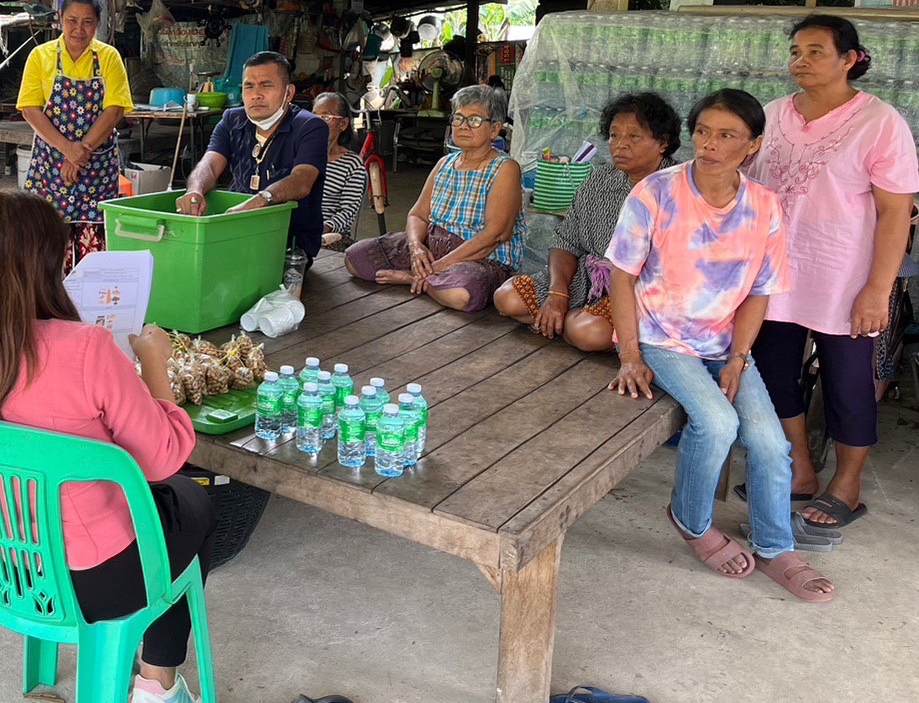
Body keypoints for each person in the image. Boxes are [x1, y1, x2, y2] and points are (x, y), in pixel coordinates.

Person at [0, 191, 215, 703]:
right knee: (193, 503)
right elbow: (165, 456)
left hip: (3, 563)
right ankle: (157, 689)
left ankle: (130, 679)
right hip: (99, 577)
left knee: (164, 506)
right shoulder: (86, 348)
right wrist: (153, 364)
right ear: (49, 264)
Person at [607, 89, 834, 603]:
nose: (709, 144)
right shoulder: (655, 192)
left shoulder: (764, 206)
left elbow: (759, 291)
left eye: (727, 135)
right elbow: (622, 277)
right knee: (717, 423)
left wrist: (738, 358)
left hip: (724, 344)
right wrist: (630, 355)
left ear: (752, 146)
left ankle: (775, 547)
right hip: (661, 337)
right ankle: (691, 520)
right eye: (703, 131)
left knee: (772, 442)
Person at [746, 15, 919, 529]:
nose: (800, 60)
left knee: (848, 381)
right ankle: (798, 469)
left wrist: (877, 289)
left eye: (815, 51)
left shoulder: (879, 122)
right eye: (795, 51)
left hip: (844, 279)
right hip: (775, 274)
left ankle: (847, 483)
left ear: (849, 59)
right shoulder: (772, 115)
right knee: (773, 371)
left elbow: (895, 212)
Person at [493, 92, 680, 351]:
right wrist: (558, 293)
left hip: (640, 292)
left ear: (663, 142)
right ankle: (568, 322)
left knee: (589, 333)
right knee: (506, 299)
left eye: (633, 136)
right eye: (614, 135)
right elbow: (566, 241)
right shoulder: (599, 179)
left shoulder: (677, 189)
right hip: (586, 280)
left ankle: (569, 325)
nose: (620, 145)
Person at [345, 84, 524, 311]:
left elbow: (495, 235)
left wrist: (438, 267)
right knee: (355, 259)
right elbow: (418, 216)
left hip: (478, 257)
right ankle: (430, 281)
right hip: (433, 247)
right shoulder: (444, 163)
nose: (463, 126)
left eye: (474, 120)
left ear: (494, 129)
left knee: (460, 294)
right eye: (458, 118)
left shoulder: (505, 168)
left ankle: (413, 279)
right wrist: (416, 249)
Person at [18, 0, 134, 268]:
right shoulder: (40, 56)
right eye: (72, 20)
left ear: (98, 23)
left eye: (87, 22)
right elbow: (30, 108)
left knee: (93, 244)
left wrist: (82, 151)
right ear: (60, 18)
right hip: (52, 165)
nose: (79, 29)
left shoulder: (109, 57)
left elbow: (115, 109)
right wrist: (67, 150)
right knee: (46, 240)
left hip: (97, 167)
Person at [177, 52, 329, 262]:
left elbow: (302, 179)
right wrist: (195, 190)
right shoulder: (231, 119)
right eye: (249, 86)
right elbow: (209, 165)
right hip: (234, 233)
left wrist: (259, 201)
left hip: (288, 242)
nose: (256, 94)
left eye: (266, 85)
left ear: (288, 93)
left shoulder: (310, 126)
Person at [311, 92, 367, 249]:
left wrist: (322, 229)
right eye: (314, 116)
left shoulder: (352, 164)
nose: (317, 123)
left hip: (330, 236)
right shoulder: (301, 155)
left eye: (326, 117)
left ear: (343, 124)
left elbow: (347, 212)